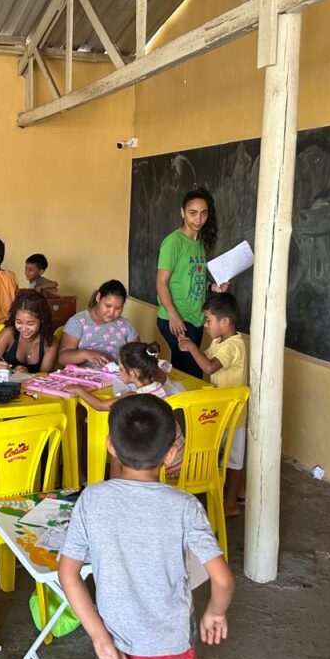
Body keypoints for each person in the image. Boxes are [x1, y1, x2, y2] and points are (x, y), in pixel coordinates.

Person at [59, 395, 234, 659]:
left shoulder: (93, 499)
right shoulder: (185, 506)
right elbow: (222, 580)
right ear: (171, 454)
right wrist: (215, 614)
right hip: (173, 639)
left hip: (119, 641)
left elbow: (68, 574)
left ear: (110, 446)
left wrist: (100, 638)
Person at [65, 341, 185, 479]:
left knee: (118, 456)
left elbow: (100, 405)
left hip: (163, 468)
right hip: (176, 459)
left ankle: (117, 490)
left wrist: (78, 390)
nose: (119, 372)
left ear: (133, 372)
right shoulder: (159, 386)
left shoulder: (135, 398)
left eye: (121, 369)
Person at [178, 293, 248, 516]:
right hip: (221, 409)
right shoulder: (219, 341)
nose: (206, 325)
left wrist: (191, 347)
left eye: (209, 320)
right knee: (223, 454)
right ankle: (236, 491)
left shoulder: (233, 346)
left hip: (234, 414)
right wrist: (189, 348)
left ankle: (231, 504)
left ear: (225, 321)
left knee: (234, 459)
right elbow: (203, 358)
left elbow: (208, 367)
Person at [156, 189, 229, 378]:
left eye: (203, 214)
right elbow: (161, 282)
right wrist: (173, 315)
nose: (198, 219)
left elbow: (192, 278)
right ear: (183, 212)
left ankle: (174, 407)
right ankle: (179, 408)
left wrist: (213, 287)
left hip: (195, 317)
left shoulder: (200, 244)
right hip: (176, 317)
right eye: (193, 213)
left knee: (184, 373)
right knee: (193, 372)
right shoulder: (173, 242)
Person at [58, 280, 139, 368]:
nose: (112, 312)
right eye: (108, 306)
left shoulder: (125, 325)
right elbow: (63, 358)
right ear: (98, 297)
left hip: (115, 376)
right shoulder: (78, 322)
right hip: (84, 376)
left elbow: (137, 353)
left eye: (118, 308)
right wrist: (86, 354)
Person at [0, 290, 59, 373]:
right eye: (19, 322)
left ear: (42, 320)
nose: (24, 328)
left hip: (32, 386)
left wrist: (26, 376)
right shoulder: (9, 334)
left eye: (30, 324)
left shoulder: (50, 342)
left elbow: (45, 378)